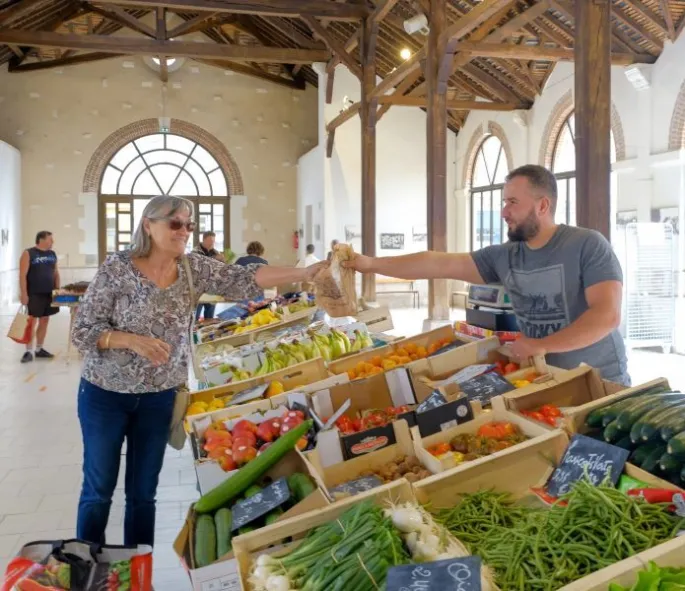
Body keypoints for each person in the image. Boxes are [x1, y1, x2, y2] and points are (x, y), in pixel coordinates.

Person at [71, 195, 325, 547]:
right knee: (98, 490)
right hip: (105, 395)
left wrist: (302, 272)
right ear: (148, 225)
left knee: (143, 494)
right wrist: (130, 340)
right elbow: (82, 330)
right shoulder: (118, 268)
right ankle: (86, 564)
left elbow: (246, 278)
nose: (185, 231)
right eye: (175, 223)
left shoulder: (194, 268)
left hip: (159, 399)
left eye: (189, 224)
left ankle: (139, 573)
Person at [346, 164, 630, 386]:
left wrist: (539, 344)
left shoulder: (586, 245)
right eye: (504, 202)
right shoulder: (505, 256)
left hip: (600, 382)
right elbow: (437, 264)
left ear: (542, 206)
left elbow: (607, 315)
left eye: (513, 203)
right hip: (544, 379)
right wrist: (369, 264)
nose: (504, 212)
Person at [18, 231, 60, 363]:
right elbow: (22, 275)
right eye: (50, 240)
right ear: (41, 240)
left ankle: (39, 349)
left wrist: (57, 291)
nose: (52, 242)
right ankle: (28, 351)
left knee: (45, 320)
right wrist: (24, 293)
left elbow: (55, 273)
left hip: (49, 293)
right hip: (33, 294)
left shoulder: (52, 254)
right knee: (31, 322)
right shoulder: (28, 253)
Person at [194, 231, 224, 321]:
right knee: (195, 316)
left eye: (213, 241)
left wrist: (222, 262)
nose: (212, 243)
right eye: (210, 241)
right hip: (198, 291)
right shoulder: (195, 252)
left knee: (209, 318)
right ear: (203, 240)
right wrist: (214, 260)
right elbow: (197, 268)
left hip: (212, 290)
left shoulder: (216, 253)